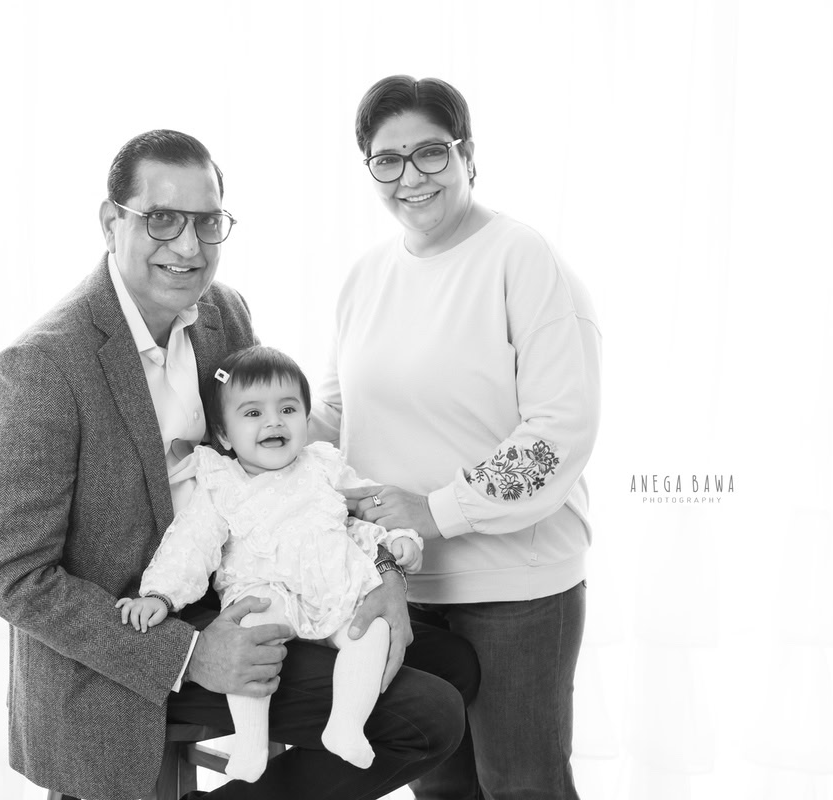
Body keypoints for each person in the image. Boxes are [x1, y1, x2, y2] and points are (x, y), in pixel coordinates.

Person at [0, 128, 472, 800]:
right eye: (162, 219)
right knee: (427, 715)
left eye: (207, 222)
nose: (188, 246)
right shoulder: (39, 369)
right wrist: (188, 653)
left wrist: (383, 573)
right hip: (127, 650)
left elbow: (292, 471)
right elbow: (16, 580)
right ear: (111, 223)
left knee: (456, 663)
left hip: (251, 593)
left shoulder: (222, 314)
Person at [312, 76, 602, 800]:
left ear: (468, 155)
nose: (411, 175)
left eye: (431, 152)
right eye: (388, 159)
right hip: (400, 583)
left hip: (514, 587)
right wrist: (247, 441)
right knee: (439, 787)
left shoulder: (521, 259)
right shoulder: (365, 277)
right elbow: (338, 416)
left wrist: (434, 511)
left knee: (521, 785)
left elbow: (558, 432)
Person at [117, 346, 424, 783]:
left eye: (288, 409)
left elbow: (369, 504)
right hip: (266, 596)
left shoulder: (323, 466)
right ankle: (250, 742)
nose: (274, 422)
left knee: (372, 630)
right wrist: (160, 595)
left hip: (333, 588)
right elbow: (190, 543)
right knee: (250, 634)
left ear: (306, 418)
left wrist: (399, 538)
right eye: (253, 413)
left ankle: (346, 724)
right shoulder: (222, 484)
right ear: (224, 435)